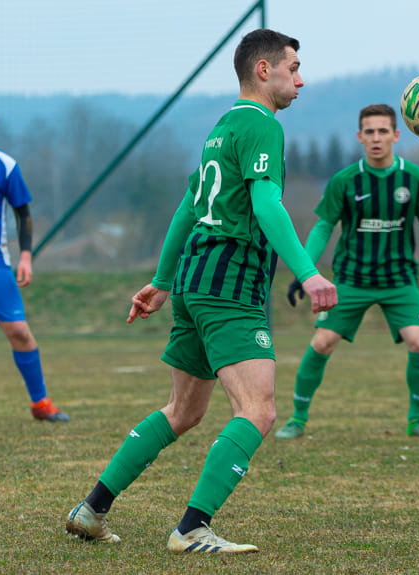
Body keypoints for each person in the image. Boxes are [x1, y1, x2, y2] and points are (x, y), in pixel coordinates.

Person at [65, 29, 337, 554]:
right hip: (229, 285)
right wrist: (309, 272)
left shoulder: (221, 128)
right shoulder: (262, 127)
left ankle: (92, 508)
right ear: (264, 70)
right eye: (293, 67)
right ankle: (192, 528)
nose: (300, 79)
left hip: (194, 280)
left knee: (182, 410)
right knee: (258, 409)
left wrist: (164, 283)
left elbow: (188, 208)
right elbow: (266, 207)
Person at [275, 103, 419, 440]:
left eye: (383, 131)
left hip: (399, 279)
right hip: (351, 279)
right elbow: (323, 228)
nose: (376, 138)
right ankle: (297, 419)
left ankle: (417, 420)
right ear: (359, 137)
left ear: (396, 135)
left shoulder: (416, 179)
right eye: (369, 132)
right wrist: (304, 272)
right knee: (322, 341)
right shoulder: (344, 181)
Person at [0, 93, 69, 425]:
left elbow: (23, 214)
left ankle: (40, 403)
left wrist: (25, 257)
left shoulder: (3, 165)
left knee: (19, 332)